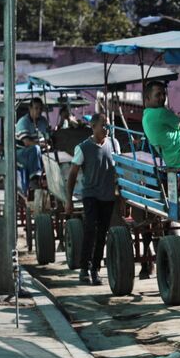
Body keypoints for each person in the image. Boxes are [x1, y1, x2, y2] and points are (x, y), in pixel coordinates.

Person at [66, 118, 119, 286]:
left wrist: (121, 196)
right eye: (103, 125)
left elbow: (120, 171)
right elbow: (72, 174)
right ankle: (84, 268)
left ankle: (95, 270)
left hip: (108, 195)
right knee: (90, 230)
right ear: (93, 126)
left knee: (102, 233)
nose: (106, 128)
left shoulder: (114, 144)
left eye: (108, 125)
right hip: (90, 195)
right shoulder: (83, 148)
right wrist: (69, 200)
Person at [15, 98, 51, 185]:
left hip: (39, 152)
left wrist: (48, 145)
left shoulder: (43, 121)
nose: (39, 111)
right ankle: (34, 178)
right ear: (30, 108)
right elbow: (27, 142)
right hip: (22, 153)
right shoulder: (23, 122)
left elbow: (47, 138)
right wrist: (41, 145)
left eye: (40, 109)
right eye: (36, 108)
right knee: (35, 148)